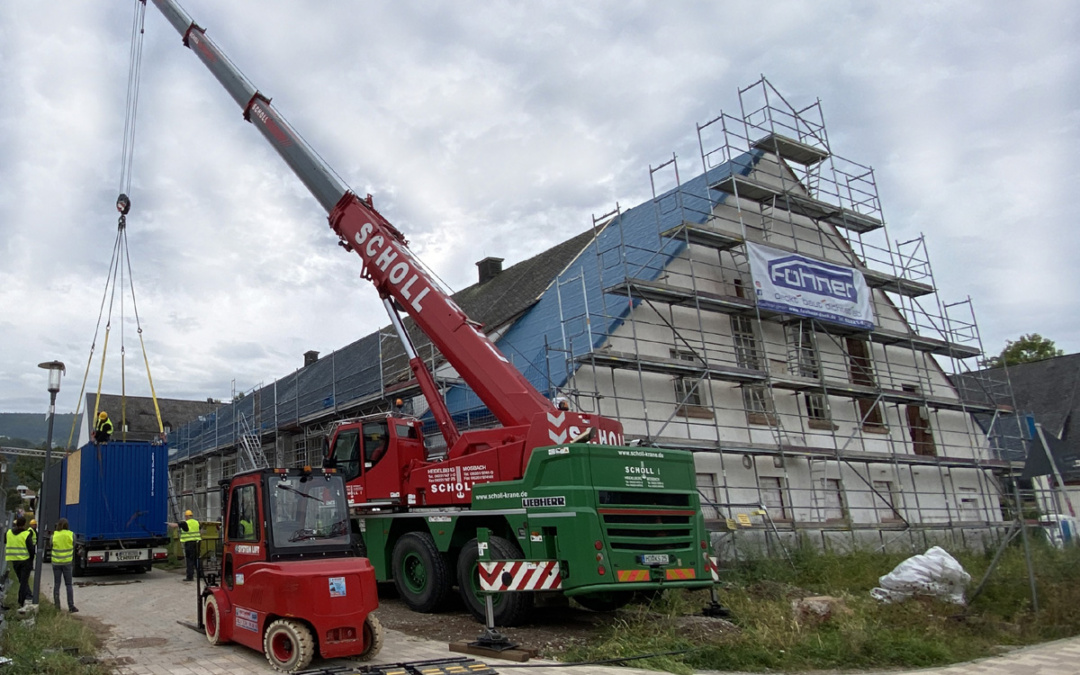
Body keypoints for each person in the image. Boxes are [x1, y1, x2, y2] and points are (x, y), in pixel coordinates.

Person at [5, 516, 35, 607]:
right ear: (24, 524)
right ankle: (21, 601)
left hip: (14, 560)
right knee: (24, 581)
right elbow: (31, 549)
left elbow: (4, 540)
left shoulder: (9, 532)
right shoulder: (26, 534)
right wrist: (31, 560)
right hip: (24, 561)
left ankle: (28, 595)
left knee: (21, 580)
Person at [51, 518, 77, 613]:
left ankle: (57, 607)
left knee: (57, 584)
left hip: (56, 563)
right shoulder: (71, 534)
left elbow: (51, 546)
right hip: (67, 563)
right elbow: (74, 545)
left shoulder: (54, 535)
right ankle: (71, 606)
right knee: (69, 585)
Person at [178, 510, 201, 582]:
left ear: (187, 516)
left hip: (189, 543)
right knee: (197, 558)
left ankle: (190, 576)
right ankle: (201, 574)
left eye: (185, 516)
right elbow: (200, 529)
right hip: (197, 542)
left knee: (189, 560)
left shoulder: (186, 523)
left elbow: (184, 529)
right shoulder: (196, 522)